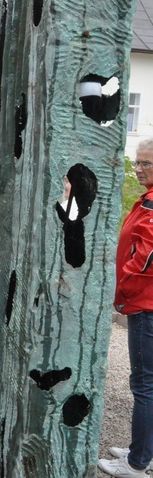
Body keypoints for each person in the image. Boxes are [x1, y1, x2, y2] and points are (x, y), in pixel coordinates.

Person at [98, 139, 153, 477]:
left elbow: (146, 258)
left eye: (146, 163)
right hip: (145, 302)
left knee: (145, 385)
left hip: (145, 305)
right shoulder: (147, 199)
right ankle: (143, 449)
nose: (139, 167)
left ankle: (136, 463)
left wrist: (123, 291)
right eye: (138, 161)